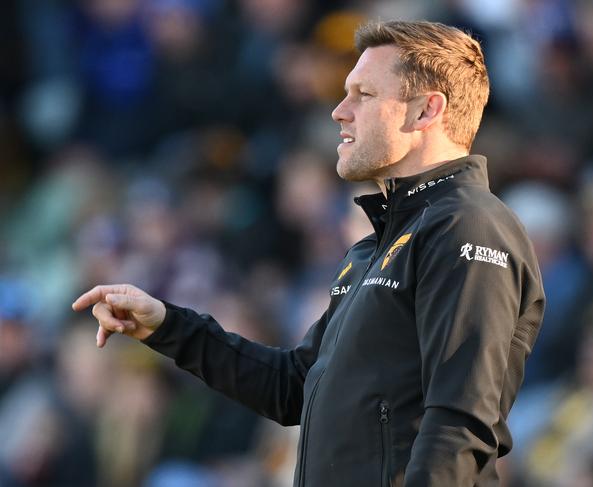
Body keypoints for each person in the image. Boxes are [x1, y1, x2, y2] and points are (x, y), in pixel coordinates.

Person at [73, 20, 545, 487]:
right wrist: (168, 325)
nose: (339, 111)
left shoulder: (468, 225)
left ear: (426, 111)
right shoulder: (373, 248)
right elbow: (292, 388)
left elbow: (459, 424)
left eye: (364, 94)